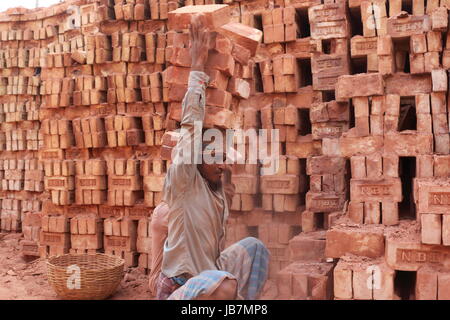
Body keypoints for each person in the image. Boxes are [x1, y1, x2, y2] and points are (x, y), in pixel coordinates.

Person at [153, 15, 269, 300]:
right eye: (216, 157)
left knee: (255, 248)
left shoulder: (215, 192)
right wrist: (197, 66)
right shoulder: (184, 182)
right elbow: (191, 127)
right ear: (196, 159)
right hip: (181, 286)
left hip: (209, 273)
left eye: (224, 157)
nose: (223, 164)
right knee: (225, 284)